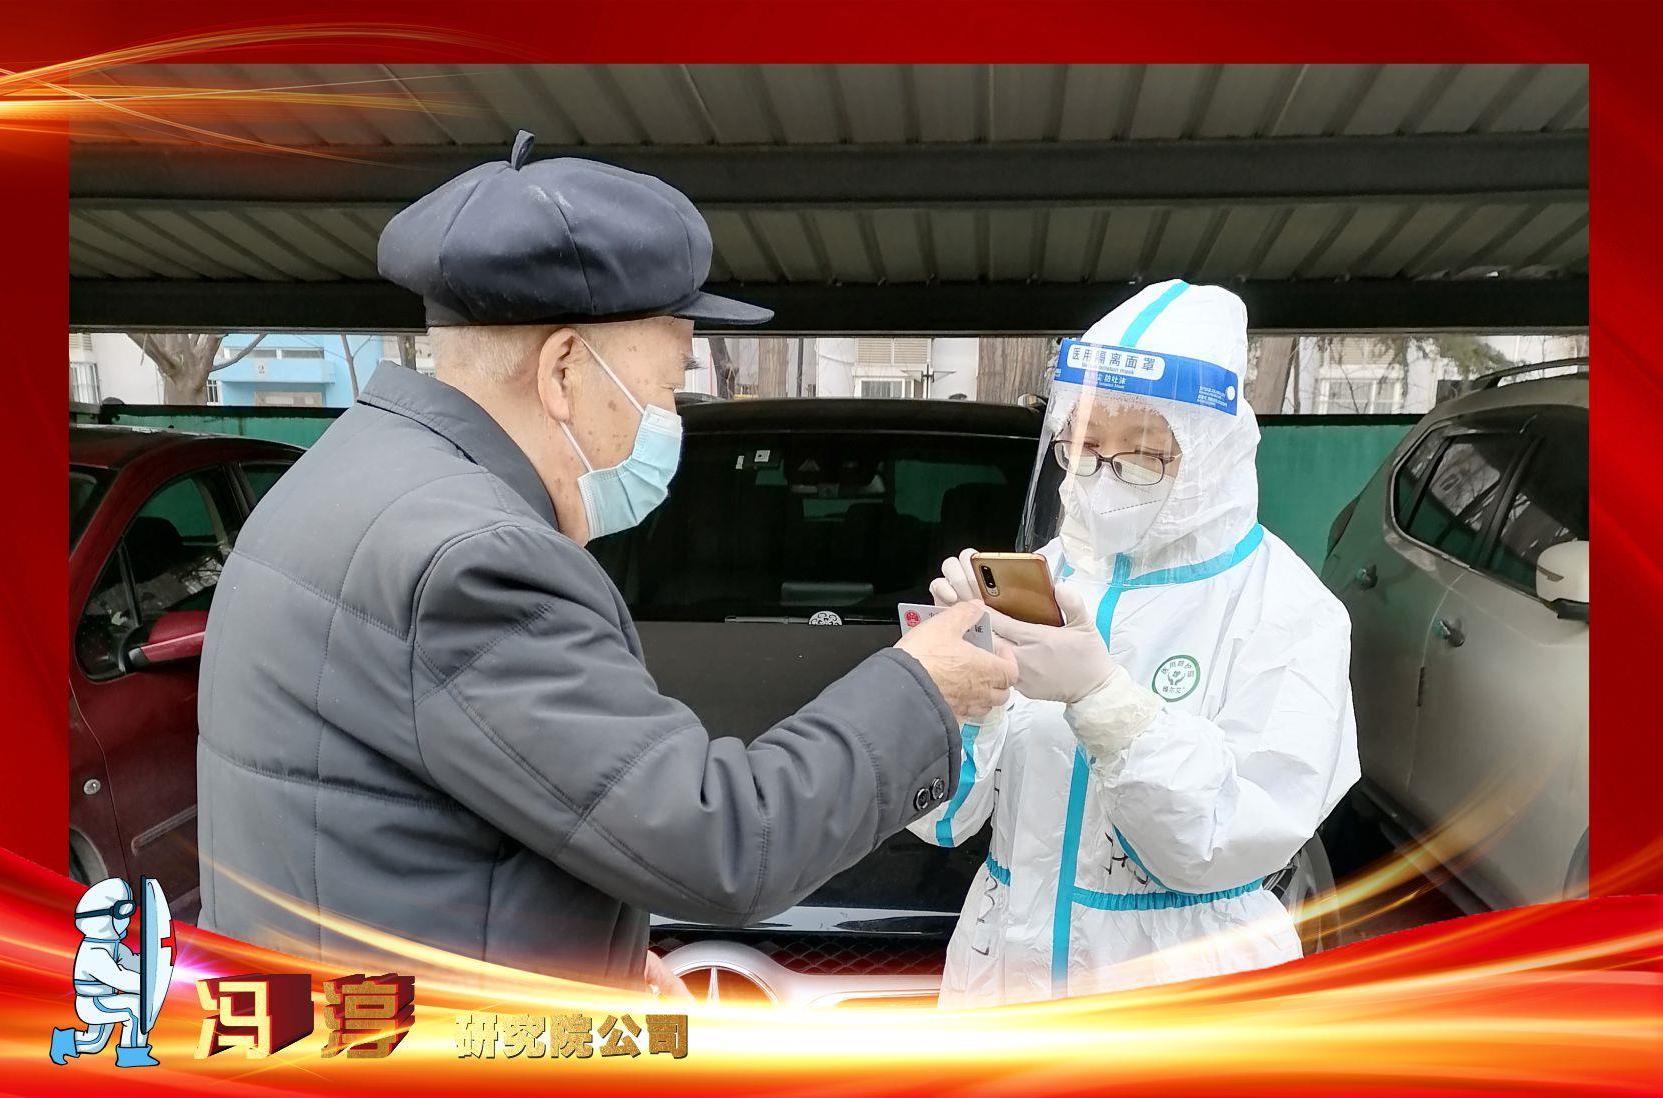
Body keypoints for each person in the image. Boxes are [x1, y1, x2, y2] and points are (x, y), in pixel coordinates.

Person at [197, 132, 1016, 991]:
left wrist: (600, 959)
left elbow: (437, 821)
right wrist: (922, 690)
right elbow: (721, 842)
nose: (671, 417)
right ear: (563, 371)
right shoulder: (479, 563)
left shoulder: (336, 475)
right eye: (667, 383)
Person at [913, 279, 1359, 1007]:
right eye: (1084, 447)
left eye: (1143, 455)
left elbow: (1225, 841)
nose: (1103, 478)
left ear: (1211, 454)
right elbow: (944, 821)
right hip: (1004, 981)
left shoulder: (1286, 611)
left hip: (1180, 997)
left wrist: (1107, 703)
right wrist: (961, 697)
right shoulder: (1041, 582)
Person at [49, 878, 156, 1067]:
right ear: (101, 919)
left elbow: (132, 961)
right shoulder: (94, 952)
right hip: (92, 1003)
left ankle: (63, 1041)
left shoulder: (112, 946)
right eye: (121, 912)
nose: (126, 920)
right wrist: (149, 983)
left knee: (94, 1043)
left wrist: (151, 960)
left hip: (104, 1000)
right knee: (135, 1007)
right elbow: (119, 978)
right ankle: (132, 1055)